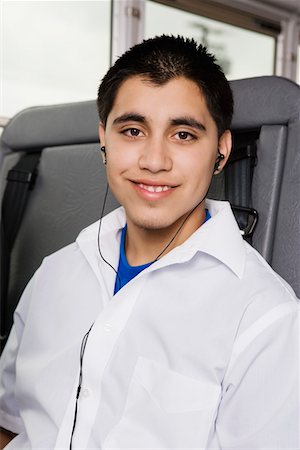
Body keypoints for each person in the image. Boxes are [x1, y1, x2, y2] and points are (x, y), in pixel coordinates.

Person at [0, 35, 299, 450]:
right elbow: (12, 425)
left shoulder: (266, 317)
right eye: (134, 130)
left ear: (221, 151)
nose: (154, 161)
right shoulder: (56, 271)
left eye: (184, 135)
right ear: (104, 138)